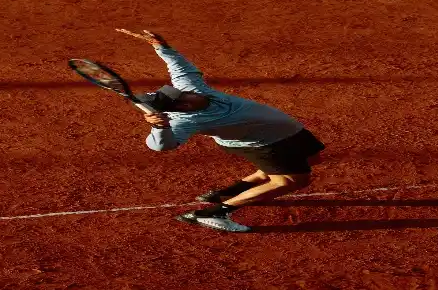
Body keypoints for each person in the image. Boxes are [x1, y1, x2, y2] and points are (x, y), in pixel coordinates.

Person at [115, 29, 325, 233]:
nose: (183, 90)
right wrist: (159, 126)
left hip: (289, 131)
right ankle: (215, 213)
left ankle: (227, 193)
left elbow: (179, 67)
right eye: (180, 95)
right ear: (184, 105)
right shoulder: (185, 120)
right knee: (291, 180)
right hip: (264, 144)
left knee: (311, 159)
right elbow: (161, 146)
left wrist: (161, 46)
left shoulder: (192, 89)